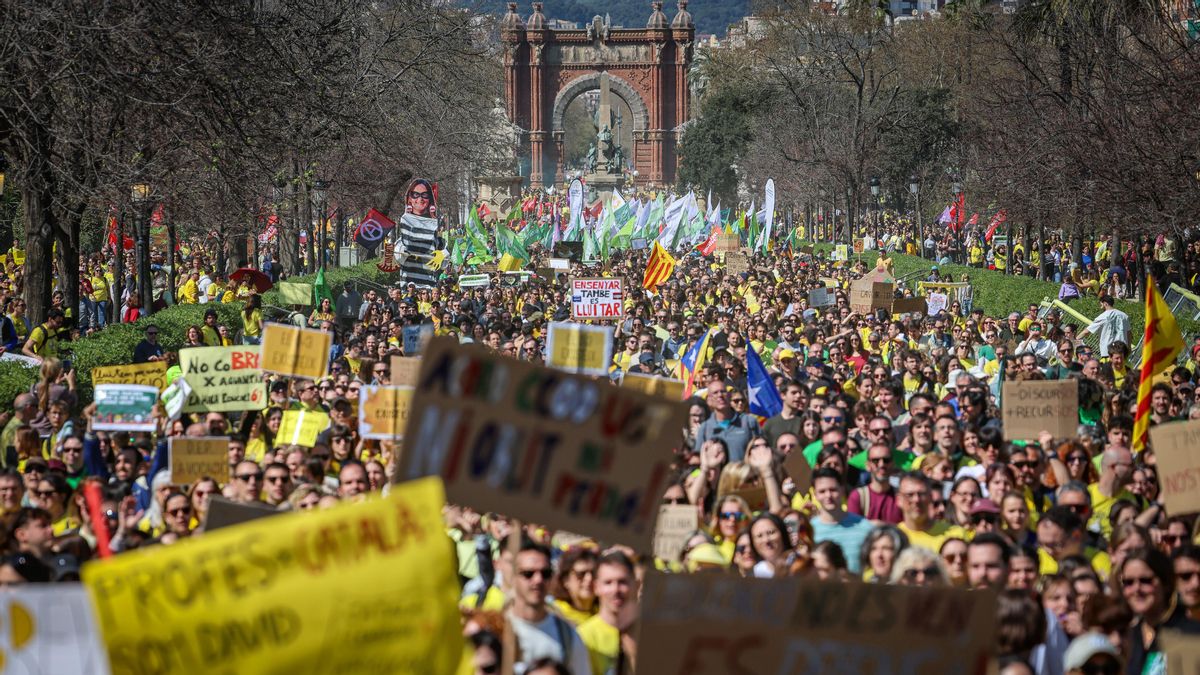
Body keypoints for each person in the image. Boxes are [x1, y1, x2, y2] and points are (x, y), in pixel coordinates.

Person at [505, 538, 591, 675]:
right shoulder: (498, 629)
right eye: (528, 574)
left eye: (545, 574)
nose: (538, 580)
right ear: (514, 577)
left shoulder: (568, 636)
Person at [577, 551, 637, 675]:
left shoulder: (651, 633)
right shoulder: (583, 637)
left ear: (636, 585)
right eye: (608, 583)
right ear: (596, 587)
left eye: (622, 582)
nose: (616, 590)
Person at [810, 467, 874, 575]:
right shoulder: (809, 530)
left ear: (842, 490)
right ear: (815, 495)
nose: (828, 495)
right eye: (822, 491)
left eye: (833, 490)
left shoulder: (865, 527)